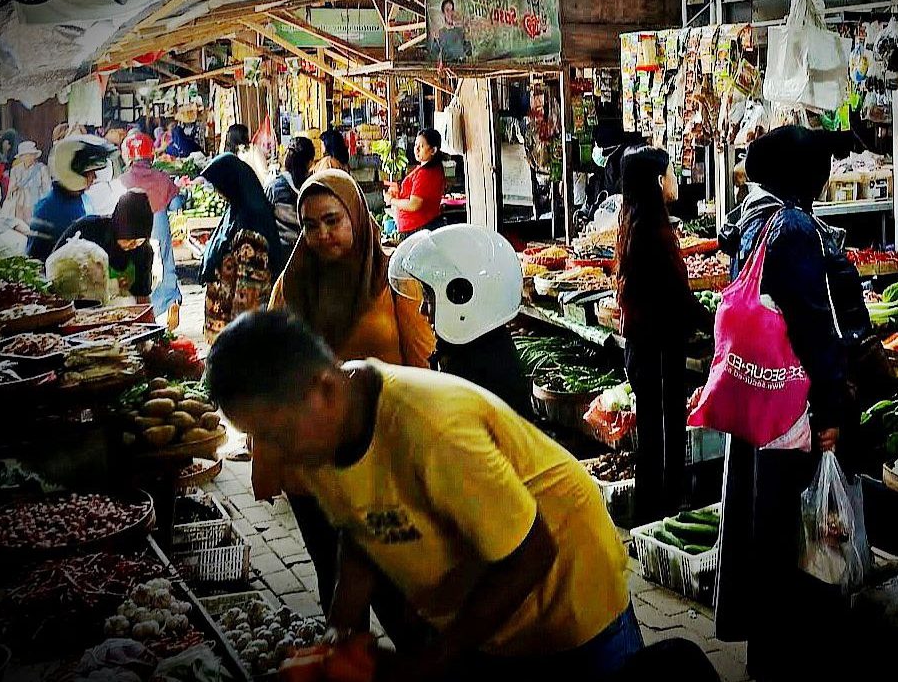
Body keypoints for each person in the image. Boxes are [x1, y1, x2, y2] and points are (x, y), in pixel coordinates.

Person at [205, 310, 640, 681]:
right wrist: (341, 630)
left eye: (275, 434)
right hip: (488, 603)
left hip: (566, 593)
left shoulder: (430, 429)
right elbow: (360, 527)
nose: (273, 453)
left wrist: (432, 662)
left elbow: (531, 554)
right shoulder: (319, 437)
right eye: (258, 437)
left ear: (325, 389)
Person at [711, 126, 869, 681]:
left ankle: (768, 651)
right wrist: (830, 407)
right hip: (793, 401)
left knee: (766, 518)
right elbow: (813, 325)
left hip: (760, 398)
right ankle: (799, 655)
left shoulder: (752, 219)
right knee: (799, 525)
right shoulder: (795, 227)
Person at [261, 169, 434, 633]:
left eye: (332, 220)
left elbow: (422, 364)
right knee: (335, 582)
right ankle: (351, 659)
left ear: (356, 216)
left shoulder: (394, 282)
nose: (322, 234)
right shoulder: (290, 287)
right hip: (313, 463)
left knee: (397, 585)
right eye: (310, 225)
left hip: (382, 455)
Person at [614, 146, 711, 528]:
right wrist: (716, 322)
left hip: (645, 345)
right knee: (662, 436)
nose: (675, 179)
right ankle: (662, 517)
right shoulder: (653, 234)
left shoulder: (635, 224)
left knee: (655, 436)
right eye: (671, 172)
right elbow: (678, 297)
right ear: (658, 181)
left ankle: (652, 515)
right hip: (655, 347)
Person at [389, 224, 531, 415]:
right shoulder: (485, 350)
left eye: (429, 297)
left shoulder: (471, 374)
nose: (422, 310)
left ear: (461, 297)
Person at [198, 153, 284, 343]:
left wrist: (237, 343)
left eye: (219, 187)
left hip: (239, 335)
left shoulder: (249, 227)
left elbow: (248, 294)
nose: (218, 192)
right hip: (228, 329)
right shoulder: (236, 211)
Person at [120, 132, 183, 329]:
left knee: (139, 272)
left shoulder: (122, 180)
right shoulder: (162, 177)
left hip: (133, 231)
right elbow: (176, 205)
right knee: (165, 263)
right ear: (151, 155)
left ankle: (146, 314)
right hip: (159, 225)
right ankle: (171, 301)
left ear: (129, 157)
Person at [53, 189, 155, 304]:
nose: (133, 245)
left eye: (139, 241)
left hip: (115, 306)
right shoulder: (87, 230)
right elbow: (55, 270)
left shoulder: (144, 251)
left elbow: (142, 296)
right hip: (76, 302)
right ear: (118, 229)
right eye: (128, 239)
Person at [27, 135, 116, 261]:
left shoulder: (85, 200)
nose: (94, 177)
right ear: (74, 171)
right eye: (90, 172)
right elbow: (34, 260)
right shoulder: (46, 211)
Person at [386, 129, 447, 236]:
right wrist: (399, 192)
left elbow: (414, 204)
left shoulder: (425, 174)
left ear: (433, 150)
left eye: (421, 146)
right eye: (415, 145)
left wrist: (392, 200)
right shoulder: (431, 169)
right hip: (419, 226)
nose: (417, 149)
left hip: (417, 228)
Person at [265, 136, 316, 250]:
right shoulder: (314, 188)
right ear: (310, 163)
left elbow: (264, 219)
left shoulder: (274, 187)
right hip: (309, 250)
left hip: (281, 250)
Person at [1, 141, 51, 228]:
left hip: (36, 201)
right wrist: (9, 198)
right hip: (19, 202)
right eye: (26, 155)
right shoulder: (15, 170)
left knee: (33, 225)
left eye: (31, 154)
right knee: (20, 225)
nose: (29, 157)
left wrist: (45, 203)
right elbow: (11, 188)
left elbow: (47, 188)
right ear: (21, 157)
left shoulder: (42, 169)